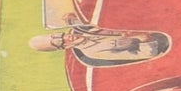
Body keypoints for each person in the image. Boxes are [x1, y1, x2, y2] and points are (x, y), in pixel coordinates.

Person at [28, 28, 165, 63]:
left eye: (59, 35)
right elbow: (147, 55)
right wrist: (144, 38)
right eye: (59, 41)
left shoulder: (85, 28)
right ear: (64, 47)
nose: (67, 37)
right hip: (163, 41)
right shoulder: (93, 52)